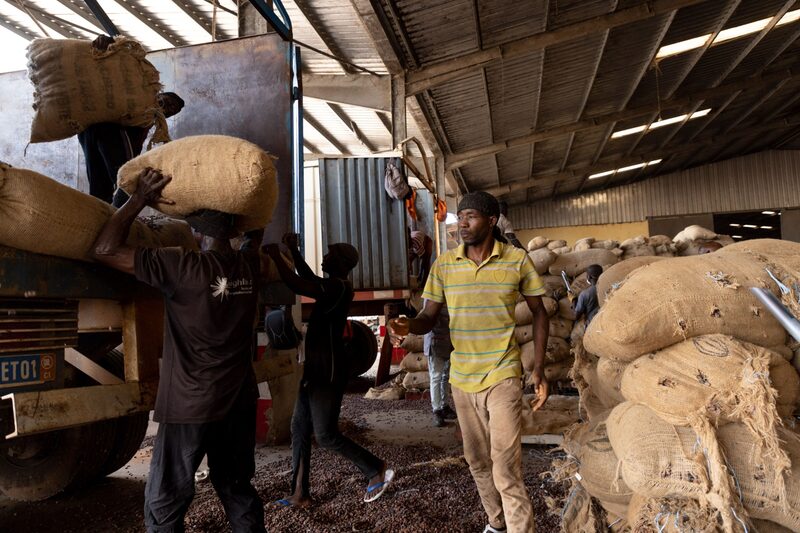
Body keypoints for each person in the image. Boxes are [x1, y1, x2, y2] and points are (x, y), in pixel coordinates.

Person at [91, 168, 266, 533]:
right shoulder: (250, 267)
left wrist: (137, 199)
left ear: (197, 232)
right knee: (237, 491)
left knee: (166, 502)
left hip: (191, 404)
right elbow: (255, 237)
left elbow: (105, 249)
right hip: (237, 400)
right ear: (233, 232)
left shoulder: (183, 268)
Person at [389, 191, 550, 533]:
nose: (461, 223)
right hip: (462, 378)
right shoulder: (445, 264)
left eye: (471, 216)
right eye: (459, 217)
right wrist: (407, 325)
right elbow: (428, 317)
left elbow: (539, 312)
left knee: (505, 467)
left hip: (503, 374)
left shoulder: (516, 261)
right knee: (477, 460)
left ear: (491, 221)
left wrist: (538, 368)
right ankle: (497, 522)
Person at [265, 234, 394, 507]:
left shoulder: (340, 287)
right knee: (299, 428)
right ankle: (300, 493)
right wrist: (294, 251)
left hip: (328, 373)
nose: (324, 257)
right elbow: (309, 278)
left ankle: (374, 468)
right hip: (314, 369)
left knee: (325, 434)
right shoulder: (333, 284)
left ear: (342, 262)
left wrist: (277, 256)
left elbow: (298, 283)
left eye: (330, 254)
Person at [79, 35, 185, 207]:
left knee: (106, 185)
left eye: (173, 111)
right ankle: (114, 216)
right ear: (160, 94)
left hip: (101, 133)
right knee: (125, 180)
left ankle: (105, 218)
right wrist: (108, 48)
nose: (170, 108)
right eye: (170, 102)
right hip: (101, 131)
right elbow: (118, 77)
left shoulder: (151, 119)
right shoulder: (142, 97)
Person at [424, 304, 456, 427]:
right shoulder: (432, 298)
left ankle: (445, 406)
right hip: (435, 342)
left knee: (445, 376)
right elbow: (427, 318)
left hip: (449, 341)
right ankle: (436, 410)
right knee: (436, 377)